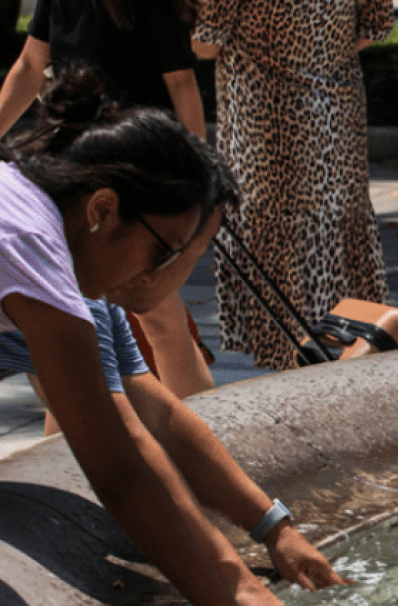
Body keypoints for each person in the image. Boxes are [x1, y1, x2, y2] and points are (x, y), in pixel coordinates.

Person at [0, 63, 344, 604]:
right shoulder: (29, 247)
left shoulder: (67, 265)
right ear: (104, 209)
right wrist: (229, 593)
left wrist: (271, 531)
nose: (168, 277)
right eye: (167, 250)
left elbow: (150, 414)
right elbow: (118, 472)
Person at [0, 0, 214, 399]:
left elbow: (181, 82)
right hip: (67, 173)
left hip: (134, 175)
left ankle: (209, 431)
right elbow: (30, 66)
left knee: (160, 318)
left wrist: (200, 182)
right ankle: (73, 445)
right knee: (61, 311)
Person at [194, 0, 395, 370]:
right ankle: (349, 344)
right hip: (336, 131)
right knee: (338, 239)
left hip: (263, 131)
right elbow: (375, 27)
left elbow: (205, 43)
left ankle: (284, 362)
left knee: (274, 257)